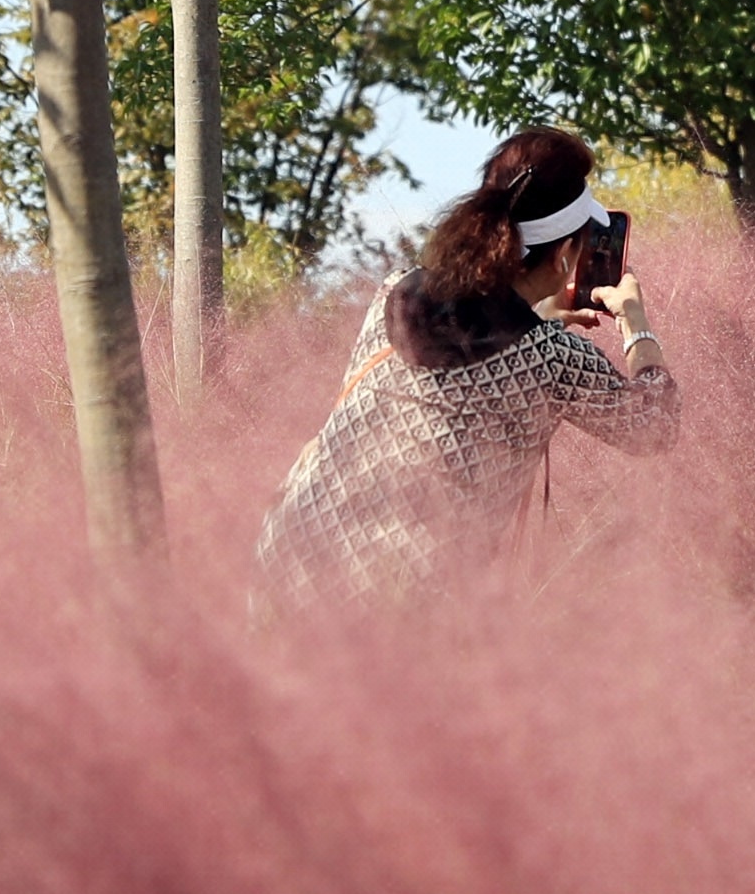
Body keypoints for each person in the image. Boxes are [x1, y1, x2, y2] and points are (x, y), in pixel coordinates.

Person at [258, 126, 677, 607]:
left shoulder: (395, 293)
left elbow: (466, 351)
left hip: (284, 575)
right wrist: (634, 321)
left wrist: (538, 319)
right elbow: (655, 428)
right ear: (564, 255)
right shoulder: (553, 358)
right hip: (399, 613)